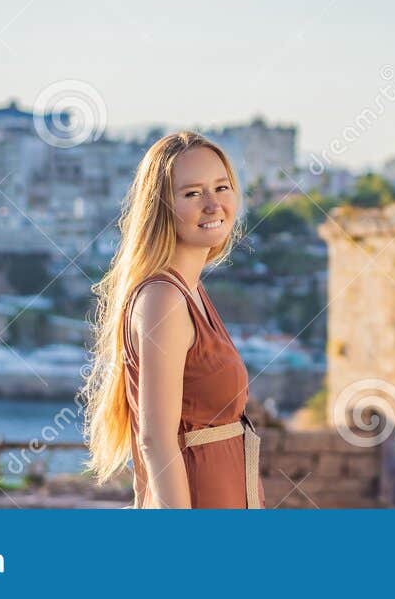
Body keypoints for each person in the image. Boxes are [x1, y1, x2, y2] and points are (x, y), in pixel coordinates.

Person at [82, 131, 262, 508]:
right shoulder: (163, 298)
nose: (213, 205)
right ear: (161, 206)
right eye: (192, 193)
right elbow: (156, 439)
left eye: (221, 187)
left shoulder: (191, 292)